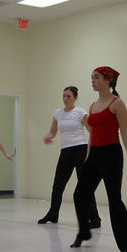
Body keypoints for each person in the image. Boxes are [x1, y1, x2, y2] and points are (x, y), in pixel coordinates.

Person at [71, 66, 127, 252]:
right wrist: (88, 156)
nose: (92, 80)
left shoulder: (117, 103)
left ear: (108, 80)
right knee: (80, 194)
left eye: (96, 77)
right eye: (92, 77)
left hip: (111, 154)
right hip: (94, 154)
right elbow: (92, 134)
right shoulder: (93, 106)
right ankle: (84, 232)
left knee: (114, 199)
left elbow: (124, 132)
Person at [39, 86, 101, 226]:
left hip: (80, 150)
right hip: (65, 152)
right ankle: (53, 214)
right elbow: (53, 132)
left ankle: (95, 219)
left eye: (68, 96)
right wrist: (48, 137)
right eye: (64, 96)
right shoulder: (58, 114)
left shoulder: (80, 112)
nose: (65, 99)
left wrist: (93, 150)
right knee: (58, 185)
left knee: (85, 186)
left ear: (75, 98)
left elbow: (92, 130)